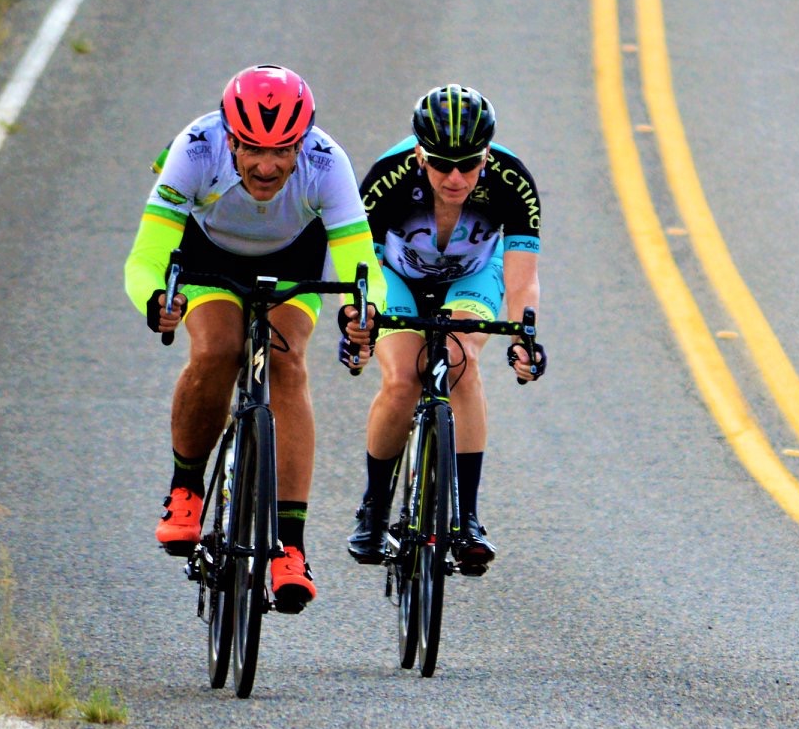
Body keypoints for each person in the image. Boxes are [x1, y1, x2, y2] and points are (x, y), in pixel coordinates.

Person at [125, 64, 383, 613]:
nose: (267, 166)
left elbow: (362, 263)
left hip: (292, 260)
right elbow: (147, 255)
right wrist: (156, 300)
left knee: (288, 368)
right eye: (252, 150)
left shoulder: (327, 161)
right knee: (218, 348)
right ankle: (186, 489)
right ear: (229, 137)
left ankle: (290, 545)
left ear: (303, 143)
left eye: (284, 151)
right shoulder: (195, 150)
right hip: (206, 255)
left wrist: (365, 312)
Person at [346, 84, 544, 576]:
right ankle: (374, 506)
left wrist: (523, 337)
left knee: (461, 361)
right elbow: (360, 266)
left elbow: (522, 279)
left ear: (487, 154)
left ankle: (467, 519)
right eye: (439, 163)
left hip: (471, 275)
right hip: (397, 274)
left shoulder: (511, 180)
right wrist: (359, 325)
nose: (455, 176)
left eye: (469, 163)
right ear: (418, 154)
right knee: (402, 379)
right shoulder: (386, 178)